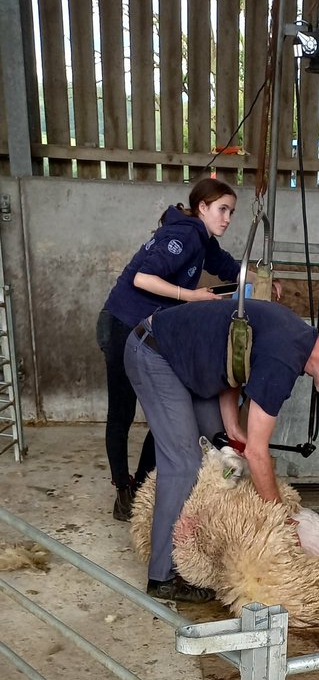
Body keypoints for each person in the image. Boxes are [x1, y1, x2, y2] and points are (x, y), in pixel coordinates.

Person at [123, 299, 319, 603]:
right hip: (155, 353)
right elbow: (258, 453)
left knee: (219, 444)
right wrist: (280, 518)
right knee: (184, 463)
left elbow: (234, 361)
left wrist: (231, 426)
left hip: (187, 362)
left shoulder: (297, 340)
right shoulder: (283, 361)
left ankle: (206, 539)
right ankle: (161, 577)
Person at [96, 177, 241, 521]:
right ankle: (124, 491)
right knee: (122, 412)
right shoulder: (186, 235)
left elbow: (228, 267)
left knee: (165, 411)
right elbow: (142, 279)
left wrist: (262, 276)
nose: (227, 219)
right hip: (122, 324)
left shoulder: (203, 240)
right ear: (202, 207)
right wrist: (193, 296)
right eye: (222, 209)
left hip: (152, 332)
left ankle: (146, 482)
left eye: (232, 212)